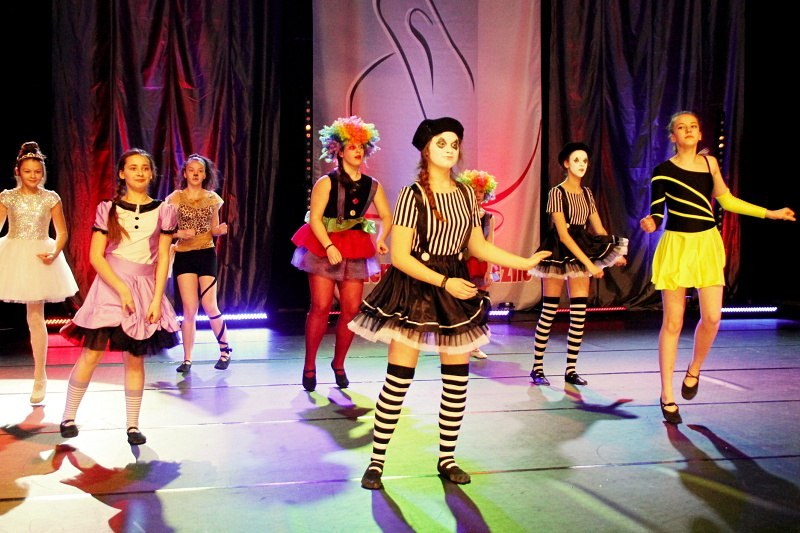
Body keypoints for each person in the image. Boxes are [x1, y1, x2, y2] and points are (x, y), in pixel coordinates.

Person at [348, 117, 551, 490]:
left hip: (455, 287)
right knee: (398, 380)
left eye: (454, 144)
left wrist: (523, 261)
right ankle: (376, 462)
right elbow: (400, 256)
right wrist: (444, 282)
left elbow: (478, 245)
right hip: (416, 287)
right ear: (426, 150)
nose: (449, 149)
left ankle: (447, 458)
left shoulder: (467, 195)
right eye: (441, 143)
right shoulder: (412, 194)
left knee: (456, 381)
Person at [640, 111, 795, 424]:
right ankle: (667, 394)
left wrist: (770, 213)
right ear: (672, 136)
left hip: (707, 244)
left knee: (712, 318)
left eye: (693, 126)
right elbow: (657, 211)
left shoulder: (710, 164)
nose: (688, 130)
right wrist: (651, 222)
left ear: (700, 134)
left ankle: (694, 369)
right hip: (677, 246)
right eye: (681, 127)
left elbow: (727, 201)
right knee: (673, 322)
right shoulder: (662, 171)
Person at [59, 148, 181, 445]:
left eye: (145, 168)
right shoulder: (109, 209)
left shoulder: (164, 210)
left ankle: (133, 425)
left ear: (152, 173)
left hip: (145, 287)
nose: (139, 172)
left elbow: (163, 258)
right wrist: (122, 289)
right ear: (122, 173)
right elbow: (96, 256)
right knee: (92, 353)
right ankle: (68, 416)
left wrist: (156, 299)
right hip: (110, 286)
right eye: (133, 167)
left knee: (135, 358)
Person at [291, 116, 393, 391]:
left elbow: (386, 216)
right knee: (321, 306)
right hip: (324, 244)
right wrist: (329, 246)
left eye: (361, 146)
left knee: (351, 309)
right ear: (338, 150)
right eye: (351, 146)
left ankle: (338, 364)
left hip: (355, 246)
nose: (357, 151)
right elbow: (315, 219)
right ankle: (309, 365)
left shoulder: (372, 184)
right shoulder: (327, 182)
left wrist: (381, 238)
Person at [528, 142, 628, 387]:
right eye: (576, 160)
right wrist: (590, 265)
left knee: (579, 313)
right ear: (566, 164)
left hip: (582, 244)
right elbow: (563, 235)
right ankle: (537, 367)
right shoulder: (557, 193)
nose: (581, 164)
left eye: (584, 160)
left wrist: (613, 255)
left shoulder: (587, 194)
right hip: (559, 249)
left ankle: (571, 369)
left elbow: (599, 228)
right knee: (549, 310)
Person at [0, 141, 79, 404]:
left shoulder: (50, 198)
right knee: (31, 317)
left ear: (43, 173)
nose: (33, 176)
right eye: (28, 171)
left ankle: (39, 376)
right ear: (18, 172)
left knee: (36, 317)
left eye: (37, 171)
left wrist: (55, 252)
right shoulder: (7, 197)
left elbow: (62, 232)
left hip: (39, 256)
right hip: (12, 253)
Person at [165, 154, 231, 373]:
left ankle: (225, 351)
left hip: (205, 253)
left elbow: (213, 229)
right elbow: (164, 230)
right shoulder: (175, 198)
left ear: (205, 175)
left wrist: (218, 230)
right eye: (191, 170)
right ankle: (187, 359)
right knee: (189, 309)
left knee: (210, 305)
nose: (195, 173)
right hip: (184, 255)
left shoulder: (212, 199)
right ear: (185, 173)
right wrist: (179, 233)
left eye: (200, 170)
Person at [456, 168, 500, 359]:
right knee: (460, 303)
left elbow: (490, 245)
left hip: (479, 265)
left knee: (479, 304)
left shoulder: (489, 218)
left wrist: (489, 270)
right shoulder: (459, 214)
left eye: (481, 191)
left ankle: (474, 344)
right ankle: (459, 342)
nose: (478, 195)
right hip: (461, 263)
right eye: (474, 191)